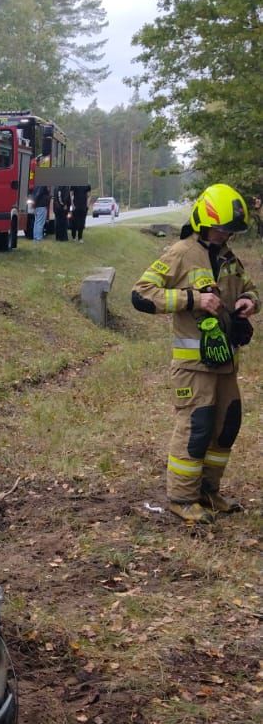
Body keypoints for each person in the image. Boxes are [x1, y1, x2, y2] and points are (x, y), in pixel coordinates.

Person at [132, 182, 259, 525]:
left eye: (231, 231)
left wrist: (250, 301)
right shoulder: (181, 252)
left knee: (226, 426)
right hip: (193, 367)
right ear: (205, 221)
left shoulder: (228, 257)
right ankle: (182, 498)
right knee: (196, 427)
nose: (226, 236)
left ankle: (209, 492)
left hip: (225, 362)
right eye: (222, 229)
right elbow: (141, 294)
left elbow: (247, 288)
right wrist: (192, 299)